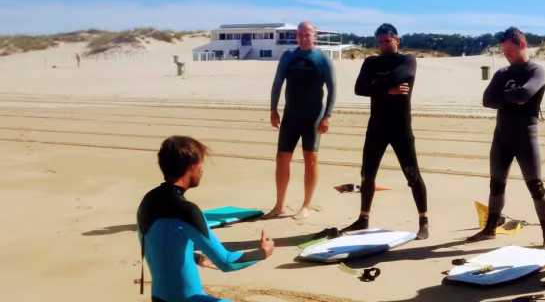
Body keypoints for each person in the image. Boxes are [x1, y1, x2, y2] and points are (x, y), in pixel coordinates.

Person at [137, 136, 275, 302]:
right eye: (201, 163)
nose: (202, 170)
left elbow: (157, 246)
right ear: (191, 165)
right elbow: (227, 262)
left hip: (159, 297)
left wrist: (196, 258)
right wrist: (263, 252)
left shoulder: (147, 201)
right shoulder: (187, 211)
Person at [466, 27, 545, 249]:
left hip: (526, 135)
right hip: (502, 137)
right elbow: (487, 100)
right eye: (503, 51)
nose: (506, 54)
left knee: (536, 187)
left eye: (510, 50)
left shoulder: (536, 70)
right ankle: (489, 230)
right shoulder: (502, 73)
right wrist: (513, 98)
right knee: (496, 185)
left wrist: (504, 97)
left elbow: (525, 93)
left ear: (522, 45)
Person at [341, 23, 429, 240]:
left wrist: (376, 84)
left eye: (387, 41)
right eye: (379, 41)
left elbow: (399, 76)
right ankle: (363, 218)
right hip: (377, 125)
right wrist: (388, 89)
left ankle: (423, 221)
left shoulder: (407, 60)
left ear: (397, 40)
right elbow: (359, 88)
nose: (382, 45)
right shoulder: (371, 61)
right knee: (367, 174)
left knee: (412, 174)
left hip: (400, 126)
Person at [268, 21, 337, 220]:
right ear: (296, 36)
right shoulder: (288, 56)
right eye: (300, 34)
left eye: (307, 34)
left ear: (314, 36)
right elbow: (277, 83)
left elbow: (333, 89)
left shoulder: (323, 59)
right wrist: (273, 109)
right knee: (282, 158)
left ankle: (306, 205)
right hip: (291, 115)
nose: (303, 37)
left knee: (310, 159)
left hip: (313, 116)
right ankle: (280, 205)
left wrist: (328, 116)